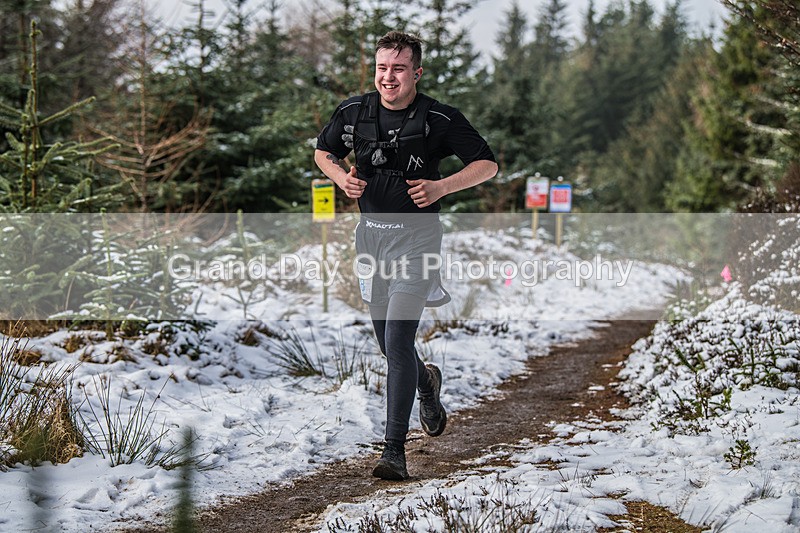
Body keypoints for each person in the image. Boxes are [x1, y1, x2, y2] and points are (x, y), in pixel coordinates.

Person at [314, 31, 497, 480]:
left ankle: (393, 450)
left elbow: (487, 163)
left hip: (419, 241)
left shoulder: (439, 118)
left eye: (398, 68)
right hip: (371, 240)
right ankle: (427, 384)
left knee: (397, 341)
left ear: (416, 72)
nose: (388, 77)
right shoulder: (354, 111)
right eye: (381, 68)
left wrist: (441, 186)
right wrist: (341, 177)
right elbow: (323, 151)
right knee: (387, 344)